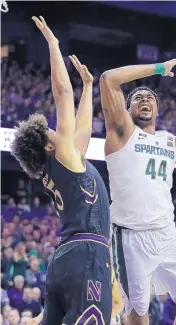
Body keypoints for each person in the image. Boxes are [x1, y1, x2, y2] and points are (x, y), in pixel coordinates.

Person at [99, 57, 176, 325]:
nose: (145, 100)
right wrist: (160, 68)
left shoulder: (170, 142)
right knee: (137, 317)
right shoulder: (121, 132)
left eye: (150, 98)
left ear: (157, 110)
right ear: (128, 108)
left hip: (167, 234)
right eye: (137, 98)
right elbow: (108, 79)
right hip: (130, 238)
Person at [11, 16, 112, 325]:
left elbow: (83, 132)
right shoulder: (63, 156)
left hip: (64, 258)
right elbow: (61, 94)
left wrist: (89, 87)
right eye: (52, 133)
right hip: (87, 253)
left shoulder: (60, 165)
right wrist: (54, 45)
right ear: (48, 147)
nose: (58, 131)